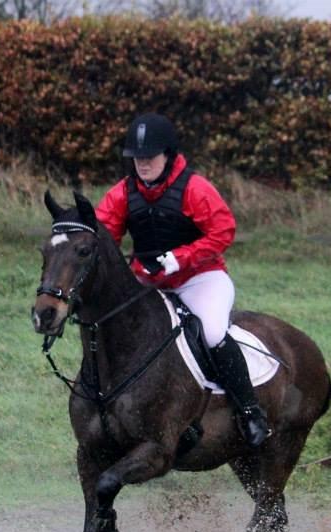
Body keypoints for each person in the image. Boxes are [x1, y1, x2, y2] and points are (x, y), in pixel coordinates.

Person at [95, 113, 270, 447]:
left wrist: (183, 257)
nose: (142, 164)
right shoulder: (121, 193)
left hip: (200, 279)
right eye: (136, 158)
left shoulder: (195, 189)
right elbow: (104, 237)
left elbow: (224, 231)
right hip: (149, 284)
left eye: (149, 158)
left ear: (168, 155)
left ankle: (250, 412)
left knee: (213, 332)